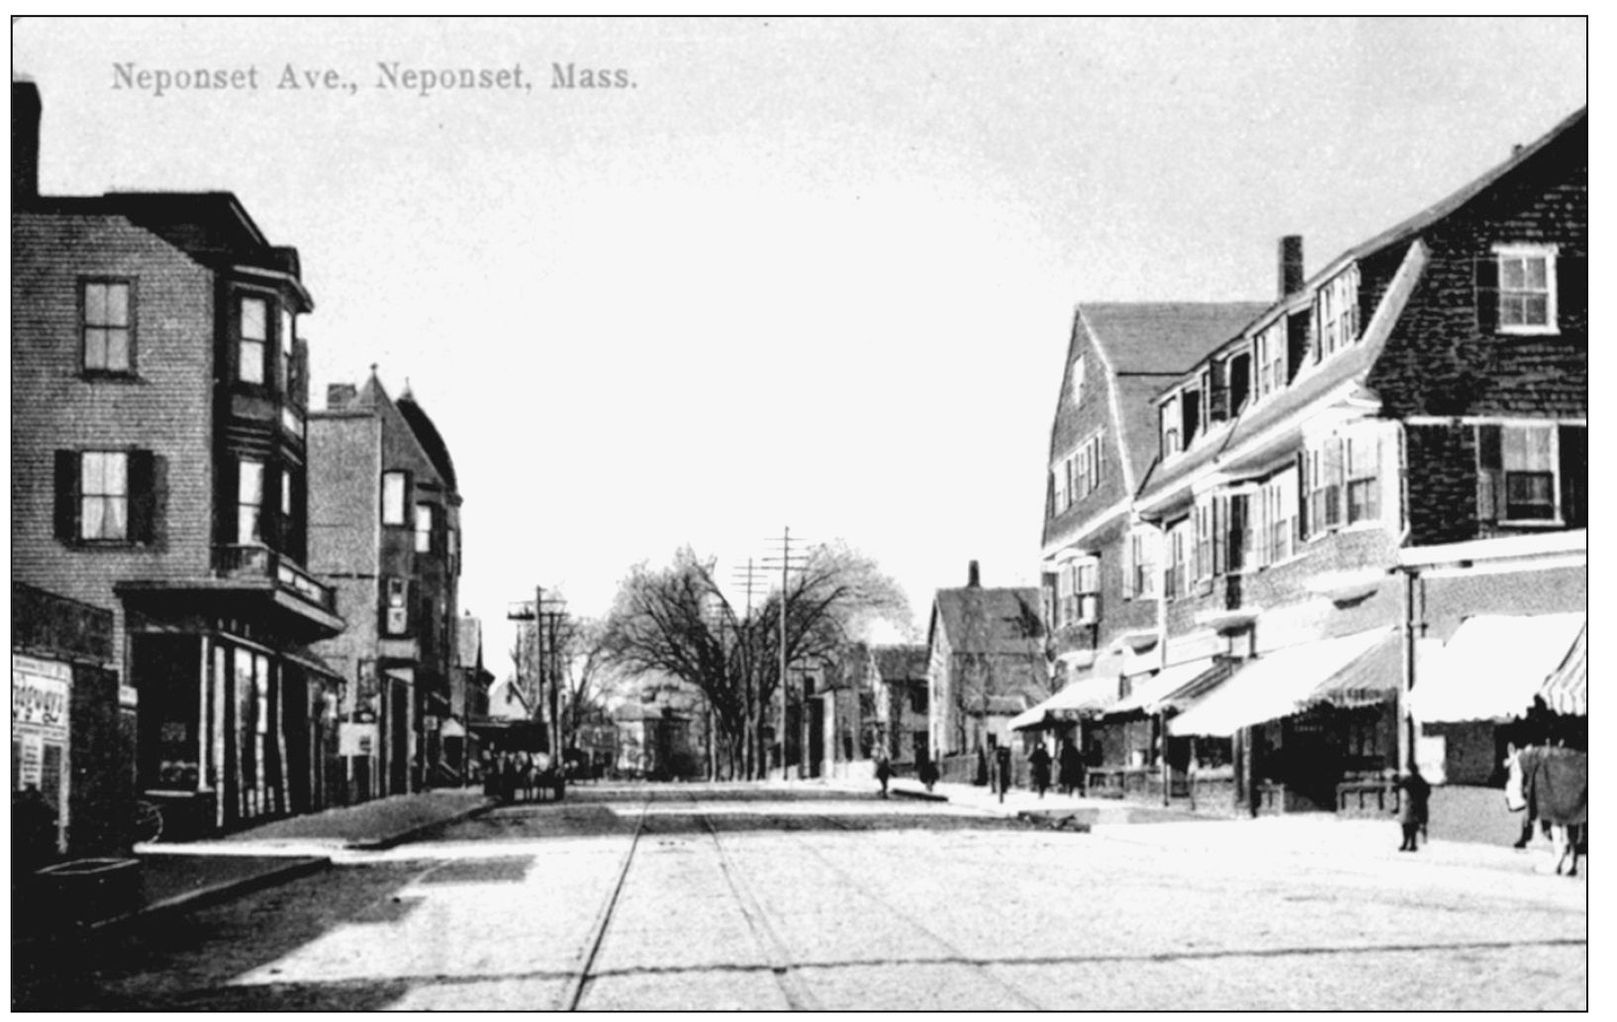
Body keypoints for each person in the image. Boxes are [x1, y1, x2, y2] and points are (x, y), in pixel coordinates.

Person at [1397, 765, 1431, 852]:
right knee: (1412, 824)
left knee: (1407, 824)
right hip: (1416, 804)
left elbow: (1400, 784)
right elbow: (1427, 791)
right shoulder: (1421, 780)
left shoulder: (1410, 780)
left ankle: (1407, 843)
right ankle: (1412, 843)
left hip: (1410, 804)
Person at [994, 738, 1012, 804]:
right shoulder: (1001, 752)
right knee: (1003, 778)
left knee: (1003, 778)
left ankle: (1003, 791)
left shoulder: (1000, 751)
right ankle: (1002, 792)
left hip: (1003, 767)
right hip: (1002, 767)